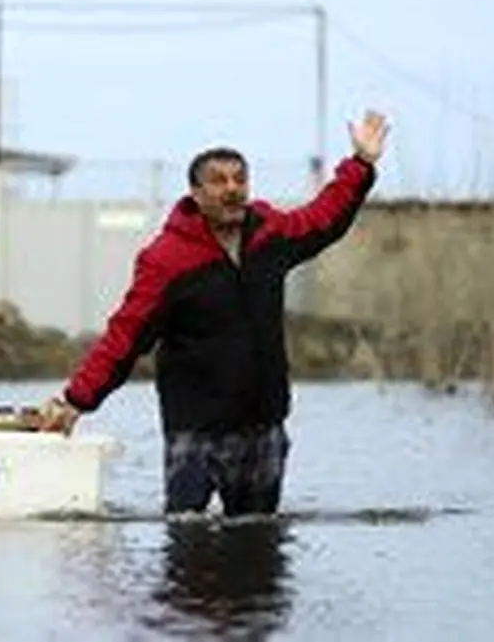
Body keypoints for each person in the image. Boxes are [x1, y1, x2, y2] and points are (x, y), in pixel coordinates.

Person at [38, 110, 390, 517]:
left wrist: (361, 164)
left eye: (240, 179)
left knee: (259, 546)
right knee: (187, 542)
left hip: (262, 426)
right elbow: (126, 337)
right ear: (196, 193)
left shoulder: (270, 234)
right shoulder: (167, 259)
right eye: (219, 181)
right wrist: (74, 401)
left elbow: (324, 218)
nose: (232, 189)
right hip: (195, 431)